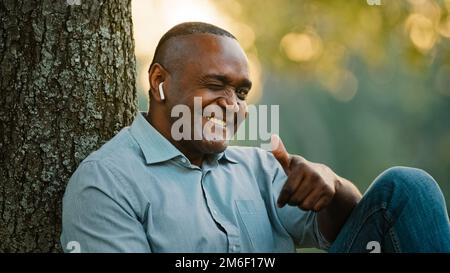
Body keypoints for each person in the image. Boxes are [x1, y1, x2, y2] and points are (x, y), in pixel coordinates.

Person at [61, 22, 450, 253]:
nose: (231, 105)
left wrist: (331, 187)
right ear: (160, 82)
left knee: (408, 187)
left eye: (242, 93)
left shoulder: (261, 167)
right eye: (215, 85)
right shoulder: (106, 181)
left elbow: (367, 230)